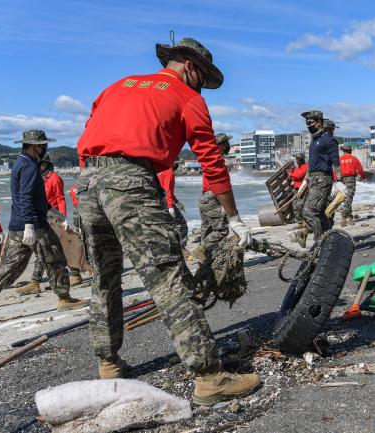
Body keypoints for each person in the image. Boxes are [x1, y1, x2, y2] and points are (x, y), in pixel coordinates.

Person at [75, 35, 260, 405]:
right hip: (131, 183)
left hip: (88, 182)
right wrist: (234, 217)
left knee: (105, 276)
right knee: (168, 278)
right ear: (190, 66)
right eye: (203, 79)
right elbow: (211, 158)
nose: (203, 87)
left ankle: (108, 364)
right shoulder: (187, 98)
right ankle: (209, 377)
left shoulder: (117, 86)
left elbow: (90, 132)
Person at [0, 130, 88, 326]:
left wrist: (53, 212)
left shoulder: (19, 163)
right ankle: (64, 299)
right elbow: (25, 198)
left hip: (17, 224)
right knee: (56, 259)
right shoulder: (30, 167)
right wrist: (31, 225)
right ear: (35, 146)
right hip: (34, 224)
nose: (44, 149)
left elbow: (33, 198)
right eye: (43, 146)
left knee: (11, 267)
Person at [19, 155, 82, 293]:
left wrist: (63, 219)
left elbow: (60, 199)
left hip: (54, 217)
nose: (38, 166)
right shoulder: (38, 179)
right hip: (41, 217)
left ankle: (76, 275)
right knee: (43, 248)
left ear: (45, 165)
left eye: (40, 164)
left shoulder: (54, 178)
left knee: (65, 246)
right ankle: (35, 281)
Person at [290, 111, 345, 248]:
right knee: (320, 213)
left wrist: (339, 182)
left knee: (309, 212)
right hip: (313, 179)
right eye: (306, 123)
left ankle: (320, 242)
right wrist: (305, 180)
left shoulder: (329, 140)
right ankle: (329, 239)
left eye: (310, 122)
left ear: (319, 122)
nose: (308, 125)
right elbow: (312, 163)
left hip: (322, 179)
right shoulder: (314, 141)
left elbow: (335, 162)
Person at [193, 133, 232, 263]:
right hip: (214, 196)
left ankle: (205, 262)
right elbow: (220, 184)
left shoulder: (209, 158)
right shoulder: (218, 160)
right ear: (221, 145)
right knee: (222, 230)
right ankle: (201, 249)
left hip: (205, 197)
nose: (228, 146)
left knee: (207, 231)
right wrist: (224, 204)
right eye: (226, 143)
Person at [157, 163, 189, 248]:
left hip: (159, 201)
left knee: (168, 226)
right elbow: (168, 191)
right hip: (166, 202)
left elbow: (167, 191)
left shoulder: (161, 171)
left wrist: (177, 202)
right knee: (182, 225)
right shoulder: (169, 172)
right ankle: (181, 248)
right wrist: (171, 207)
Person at [338, 144, 366, 226]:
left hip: (341, 180)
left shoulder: (340, 159)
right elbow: (360, 169)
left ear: (343, 151)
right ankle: (343, 218)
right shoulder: (354, 159)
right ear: (350, 150)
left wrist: (336, 179)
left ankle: (349, 217)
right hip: (350, 180)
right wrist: (363, 177)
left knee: (346, 198)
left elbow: (335, 170)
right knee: (349, 198)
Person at [288, 153, 308, 227]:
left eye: (297, 159)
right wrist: (292, 175)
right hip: (296, 189)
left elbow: (298, 175)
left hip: (303, 189)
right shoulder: (297, 167)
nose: (296, 160)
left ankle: (304, 221)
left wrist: (291, 174)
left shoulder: (305, 167)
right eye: (296, 159)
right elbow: (294, 177)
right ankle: (299, 222)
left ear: (301, 159)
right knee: (294, 205)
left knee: (300, 205)